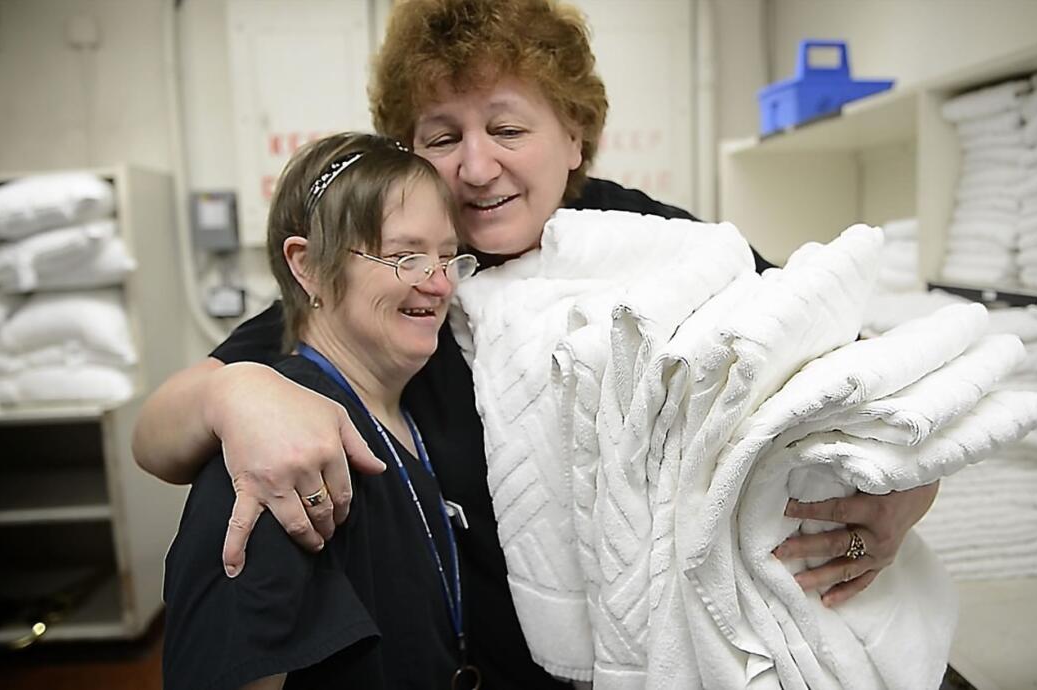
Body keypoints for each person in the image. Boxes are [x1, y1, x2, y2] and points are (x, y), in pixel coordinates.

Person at [137, 0, 939, 687]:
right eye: (442, 137)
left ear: (575, 138)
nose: (477, 167)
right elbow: (158, 437)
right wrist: (230, 391)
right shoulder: (384, 298)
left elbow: (869, 386)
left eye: (509, 127)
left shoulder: (655, 251)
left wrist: (902, 495)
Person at [161, 132, 482, 689]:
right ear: (307, 266)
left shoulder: (405, 415)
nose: (438, 283)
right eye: (406, 256)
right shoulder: (275, 450)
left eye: (449, 257)